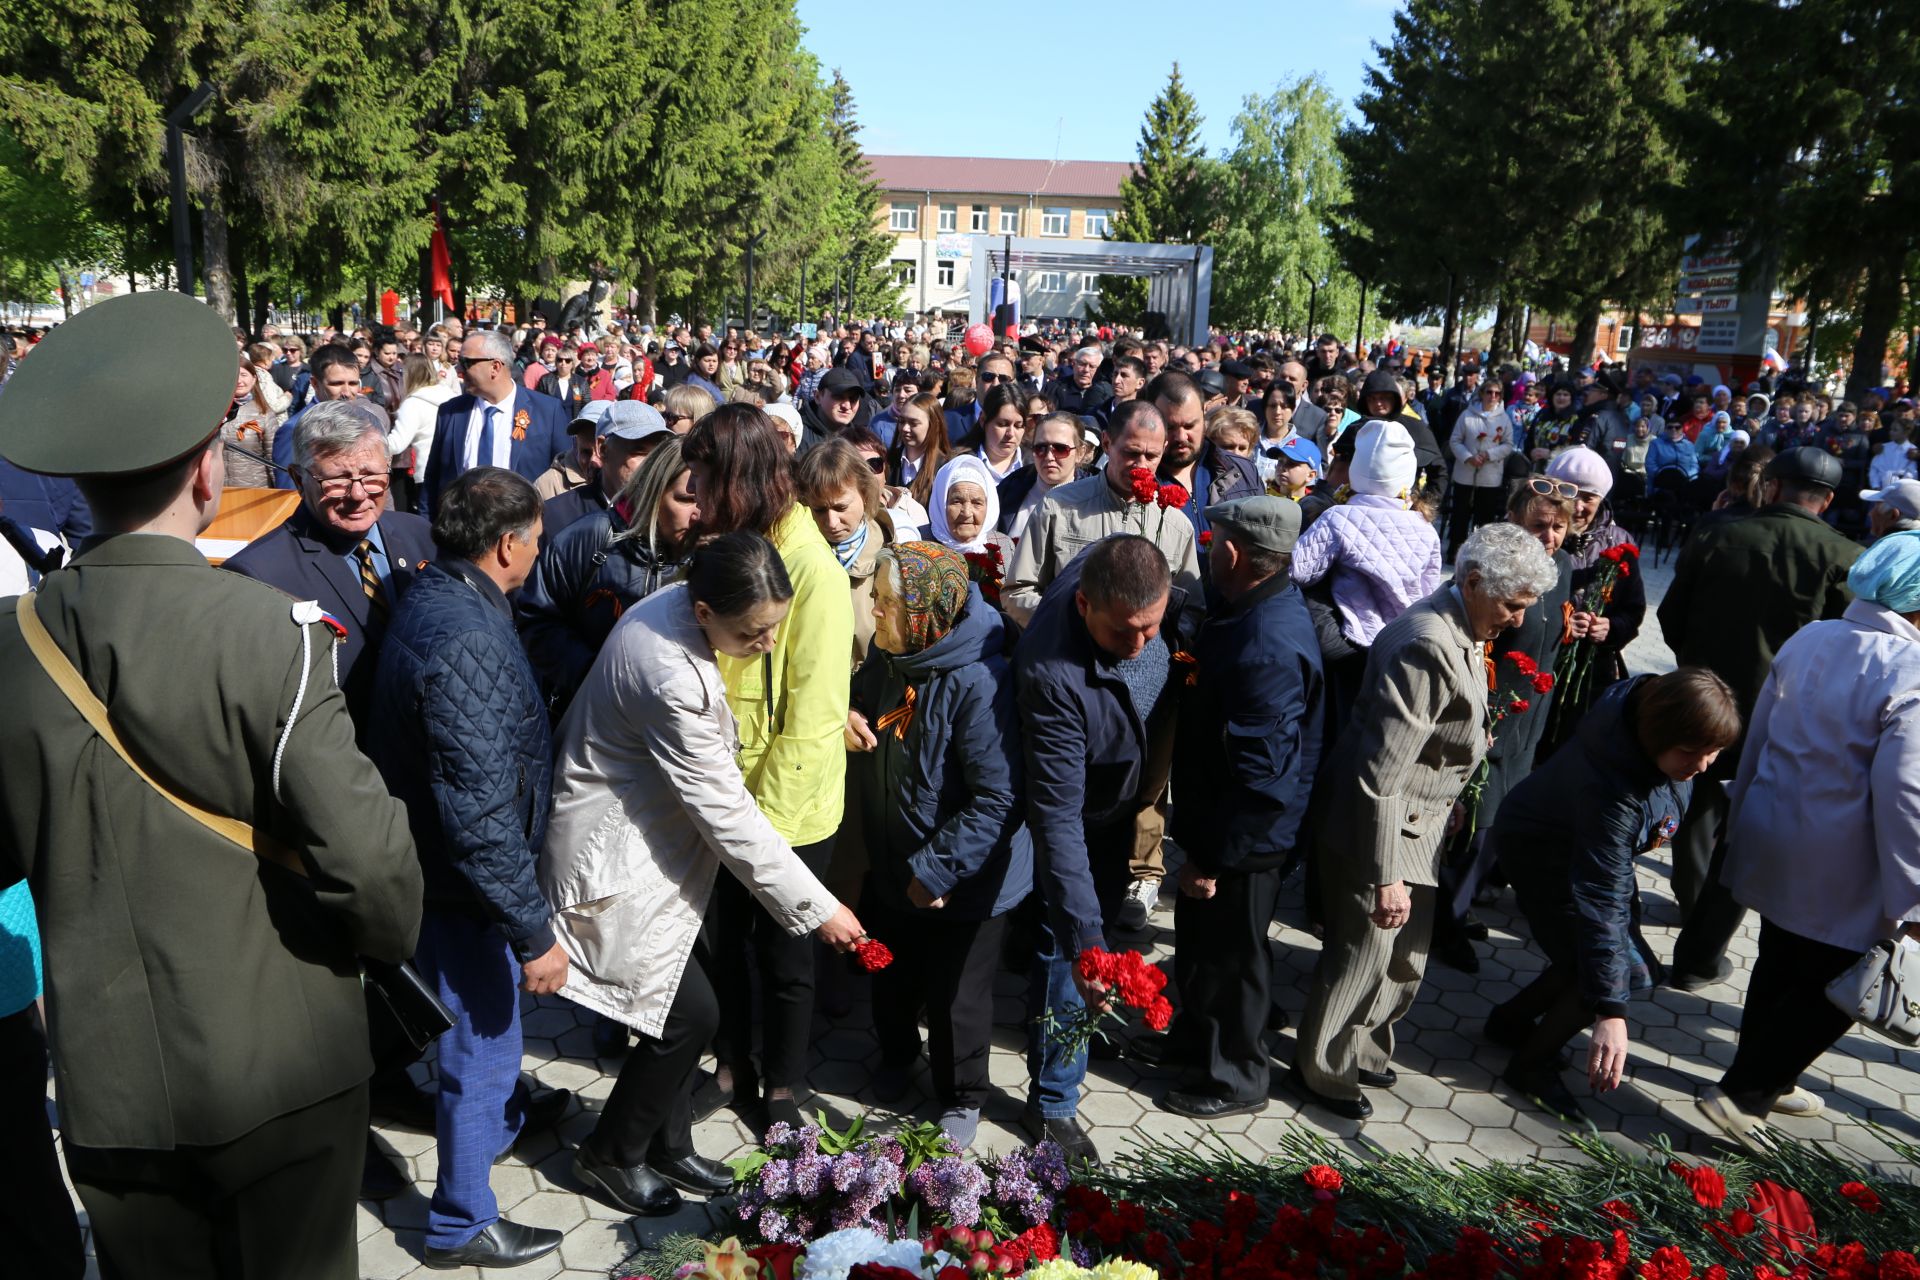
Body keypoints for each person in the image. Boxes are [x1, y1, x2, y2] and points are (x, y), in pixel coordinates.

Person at [0, 291, 421, 1279]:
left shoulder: (11, 649)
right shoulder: (266, 630)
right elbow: (375, 871)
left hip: (112, 1079)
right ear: (204, 470)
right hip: (285, 1066)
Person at [540, 532, 866, 1213]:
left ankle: (667, 1144)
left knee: (678, 1008)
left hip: (653, 850)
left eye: (776, 627)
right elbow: (728, 817)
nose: (768, 645)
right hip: (617, 862)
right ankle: (610, 1154)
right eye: (753, 632)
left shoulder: (676, 610)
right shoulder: (668, 674)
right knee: (690, 1016)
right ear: (703, 611)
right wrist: (819, 908)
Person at [368, 467, 571, 1270]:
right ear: (507, 545)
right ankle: (460, 1221)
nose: (537, 553)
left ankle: (504, 1123)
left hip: (440, 872)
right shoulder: (467, 639)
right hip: (462, 891)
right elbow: (479, 814)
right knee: (481, 1047)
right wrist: (532, 934)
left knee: (483, 1051)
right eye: (535, 540)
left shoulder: (437, 593)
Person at [1293, 524, 1558, 1120]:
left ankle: (1362, 1049)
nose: (1517, 620)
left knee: (1404, 958)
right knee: (1364, 953)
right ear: (1471, 582)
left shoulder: (1460, 625)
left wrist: (1453, 792)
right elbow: (1380, 772)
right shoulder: (1428, 643)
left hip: (1419, 822)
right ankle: (1324, 1070)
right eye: (1512, 604)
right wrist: (1385, 875)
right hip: (1379, 827)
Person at [1696, 532, 1920, 1150]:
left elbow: (1760, 731)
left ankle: (1771, 1075)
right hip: (1847, 857)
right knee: (1841, 983)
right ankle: (1743, 1096)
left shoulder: (1813, 635)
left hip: (1777, 829)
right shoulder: (1912, 669)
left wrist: (1740, 819)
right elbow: (1907, 793)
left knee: (1780, 958)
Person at [682, 405, 855, 1129]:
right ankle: (731, 1062)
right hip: (726, 793)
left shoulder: (807, 562)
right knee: (723, 943)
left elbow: (813, 710)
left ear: (741, 477)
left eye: (705, 476)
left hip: (785, 805)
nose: (692, 489)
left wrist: (765, 836)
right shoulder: (734, 542)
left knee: (786, 954)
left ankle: (784, 1082)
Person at [1492, 669, 1739, 1122]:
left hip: (1581, 852)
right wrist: (1612, 1012)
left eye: (1714, 752)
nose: (1703, 766)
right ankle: (1528, 1066)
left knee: (1603, 960)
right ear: (1656, 734)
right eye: (1691, 752)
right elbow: (1602, 899)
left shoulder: (1646, 713)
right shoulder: (1612, 792)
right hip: (1546, 857)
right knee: (1604, 967)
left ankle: (1508, 1024)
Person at [848, 542, 1032, 1149]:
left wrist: (937, 870)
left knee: (958, 993)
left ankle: (962, 1094)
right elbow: (860, 706)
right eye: (875, 600)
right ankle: (899, 1055)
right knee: (893, 972)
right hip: (894, 858)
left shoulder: (979, 681)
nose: (875, 613)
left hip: (965, 879)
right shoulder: (891, 657)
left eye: (886, 603)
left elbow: (997, 799)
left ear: (925, 611)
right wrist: (845, 713)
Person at [1658, 447, 1862, 990]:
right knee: (1748, 827)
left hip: (1704, 695)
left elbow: (1670, 614)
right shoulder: (1844, 555)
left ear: (1772, 486)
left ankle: (1689, 906)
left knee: (1697, 805)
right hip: (1787, 716)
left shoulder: (1718, 531)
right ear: (1829, 500)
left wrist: (1698, 668)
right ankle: (1700, 953)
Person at [1015, 535, 1186, 1163]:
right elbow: (1057, 820)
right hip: (1081, 811)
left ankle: (1077, 1029)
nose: (1141, 645)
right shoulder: (1051, 673)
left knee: (1100, 929)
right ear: (1083, 604)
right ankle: (1054, 1101)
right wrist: (1089, 946)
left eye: (1153, 626)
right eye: (1125, 633)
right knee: (1069, 945)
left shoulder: (1117, 575)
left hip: (1121, 797)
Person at [1157, 497, 1324, 1119]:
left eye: (1213, 540)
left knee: (1233, 958)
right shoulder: (1256, 607)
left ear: (1232, 552)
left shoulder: (1266, 645)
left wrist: (1212, 858)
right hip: (1224, 826)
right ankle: (1194, 1044)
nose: (1207, 549)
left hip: (1245, 839)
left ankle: (1236, 1076)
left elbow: (1261, 781)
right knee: (1202, 947)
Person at [226, 401, 437, 733]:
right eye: (337, 480)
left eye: (371, 477)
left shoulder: (422, 537)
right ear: (298, 478)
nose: (357, 495)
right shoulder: (257, 576)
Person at [518, 435, 697, 717]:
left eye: (706, 498)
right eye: (686, 499)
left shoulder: (709, 553)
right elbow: (536, 618)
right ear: (654, 491)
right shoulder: (589, 538)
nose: (698, 514)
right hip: (587, 719)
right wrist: (590, 673)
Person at [1002, 400, 1202, 628]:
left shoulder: (1175, 526)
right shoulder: (1058, 507)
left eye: (1152, 456)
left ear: (1164, 449)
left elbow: (1191, 609)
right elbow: (1018, 592)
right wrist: (1073, 625)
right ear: (1107, 443)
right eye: (1131, 453)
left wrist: (1157, 639)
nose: (1141, 465)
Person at [1290, 419, 1444, 655]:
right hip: (1405, 638)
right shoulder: (1425, 527)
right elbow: (1429, 590)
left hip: (1350, 636)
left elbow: (1299, 571)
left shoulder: (1338, 517)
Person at [418, 328, 572, 517]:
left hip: (523, 533)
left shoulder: (548, 411)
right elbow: (433, 479)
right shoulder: (451, 412)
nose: (459, 370)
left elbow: (565, 479)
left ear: (495, 367)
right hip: (461, 534)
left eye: (466, 363)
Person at [795, 436, 895, 669]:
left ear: (865, 494)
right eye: (819, 510)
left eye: (841, 507)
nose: (831, 522)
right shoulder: (792, 555)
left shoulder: (889, 556)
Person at [1149, 370, 1261, 539]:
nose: (1181, 437)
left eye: (1189, 426)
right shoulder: (1138, 482)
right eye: (1170, 427)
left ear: (1204, 414)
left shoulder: (1242, 472)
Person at [271, 343, 393, 488]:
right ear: (315, 383)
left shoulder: (364, 419)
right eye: (337, 384)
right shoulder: (294, 428)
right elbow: (290, 492)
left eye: (353, 383)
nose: (346, 392)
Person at [929, 454, 1016, 606]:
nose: (967, 512)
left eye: (977, 503)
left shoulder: (1002, 545)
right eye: (957, 501)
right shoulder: (921, 542)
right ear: (941, 503)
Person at [997, 410, 1090, 544]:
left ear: (1080, 452)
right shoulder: (1009, 489)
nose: (1049, 457)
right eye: (1041, 448)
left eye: (1060, 448)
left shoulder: (1095, 498)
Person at [1447, 375, 1516, 554]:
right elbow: (1455, 440)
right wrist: (1468, 456)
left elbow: (1508, 444)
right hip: (1465, 472)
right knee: (1460, 514)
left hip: (1490, 476)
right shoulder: (1467, 415)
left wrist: (1489, 454)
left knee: (1484, 516)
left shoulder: (1504, 418)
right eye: (1489, 392)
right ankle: (1455, 550)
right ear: (1482, 393)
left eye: (1497, 393)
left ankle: (1479, 553)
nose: (1492, 396)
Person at [219, 355, 289, 488]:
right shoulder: (215, 412)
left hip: (255, 490)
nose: (239, 381)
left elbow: (272, 458)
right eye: (234, 375)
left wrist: (279, 490)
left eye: (244, 375)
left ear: (254, 379)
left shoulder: (264, 413)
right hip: (219, 491)